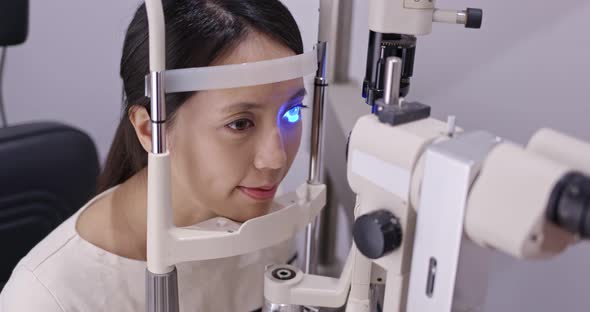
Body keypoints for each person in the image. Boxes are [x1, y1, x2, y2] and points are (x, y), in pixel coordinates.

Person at [0, 0, 308, 310]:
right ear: (149, 129)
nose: (275, 159)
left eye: (293, 112)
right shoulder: (47, 297)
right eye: (240, 123)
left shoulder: (268, 223)